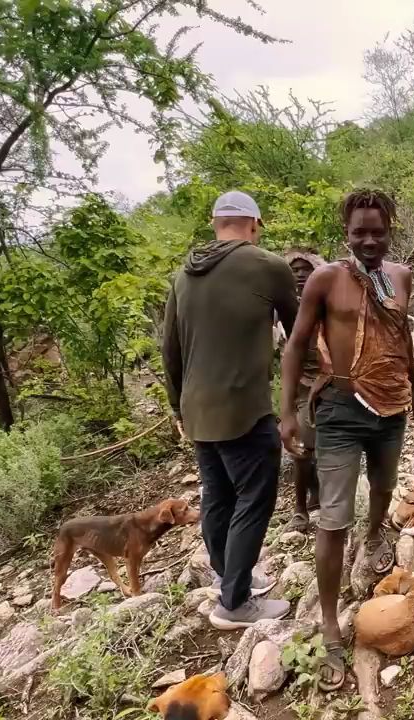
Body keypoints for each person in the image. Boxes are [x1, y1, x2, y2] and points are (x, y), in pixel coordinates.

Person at [279, 189, 414, 691]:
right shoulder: (325, 279)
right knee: (334, 518)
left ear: (390, 231)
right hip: (340, 409)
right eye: (359, 231)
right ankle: (330, 627)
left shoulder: (400, 276)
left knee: (383, 488)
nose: (368, 240)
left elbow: (402, 338)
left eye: (378, 231)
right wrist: (286, 416)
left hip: (392, 406)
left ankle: (378, 532)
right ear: (345, 233)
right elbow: (296, 344)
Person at [161, 190, 298, 630]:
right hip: (245, 409)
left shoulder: (183, 276)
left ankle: (231, 578)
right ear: (254, 224)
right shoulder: (268, 266)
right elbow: (300, 333)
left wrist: (178, 408)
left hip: (198, 411)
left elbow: (170, 350)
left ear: (214, 222)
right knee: (254, 499)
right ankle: (235, 603)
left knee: (217, 497)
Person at [280, 248, 326, 533]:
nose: (299, 274)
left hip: (330, 380)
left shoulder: (327, 300)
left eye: (304, 269)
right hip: (300, 385)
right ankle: (299, 509)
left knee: (329, 445)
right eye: (294, 270)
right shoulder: (282, 305)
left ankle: (320, 495)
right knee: (302, 449)